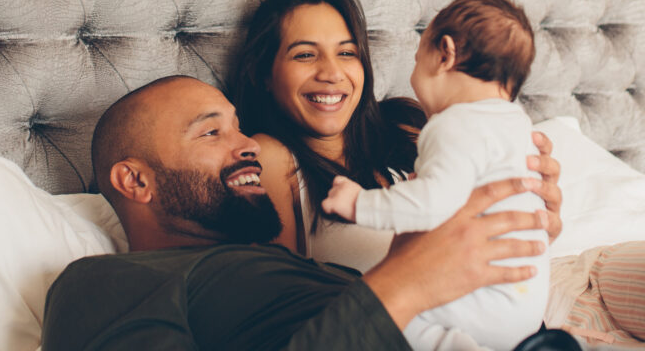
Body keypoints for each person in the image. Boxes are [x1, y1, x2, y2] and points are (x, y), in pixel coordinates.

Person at [228, 0, 645, 349]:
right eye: (305, 54)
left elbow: (497, 207)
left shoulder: (410, 124)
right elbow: (287, 310)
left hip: (558, 280)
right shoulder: (272, 158)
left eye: (348, 52)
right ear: (264, 72)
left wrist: (540, 218)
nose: (332, 72)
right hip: (469, 328)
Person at [40, 76, 552, 350]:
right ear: (135, 180)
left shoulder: (312, 273)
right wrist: (400, 287)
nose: (248, 147)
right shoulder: (100, 284)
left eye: (240, 128)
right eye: (212, 132)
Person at [321, 0, 549, 351]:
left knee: (396, 323)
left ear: (445, 54)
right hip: (526, 302)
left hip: (482, 300)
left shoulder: (453, 124)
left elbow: (431, 205)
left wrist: (359, 204)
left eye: (416, 59)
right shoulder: (518, 126)